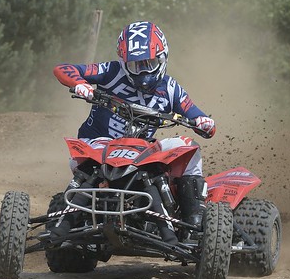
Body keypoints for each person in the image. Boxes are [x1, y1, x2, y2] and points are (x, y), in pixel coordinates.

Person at [51, 20, 216, 244]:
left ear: (163, 58)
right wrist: (81, 84)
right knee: (86, 165)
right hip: (97, 147)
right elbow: (63, 69)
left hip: (141, 154)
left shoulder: (170, 88)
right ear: (124, 63)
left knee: (187, 146)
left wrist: (204, 122)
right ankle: (68, 220)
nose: (144, 72)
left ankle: (193, 221)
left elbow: (197, 115)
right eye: (136, 65)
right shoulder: (110, 71)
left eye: (149, 63)